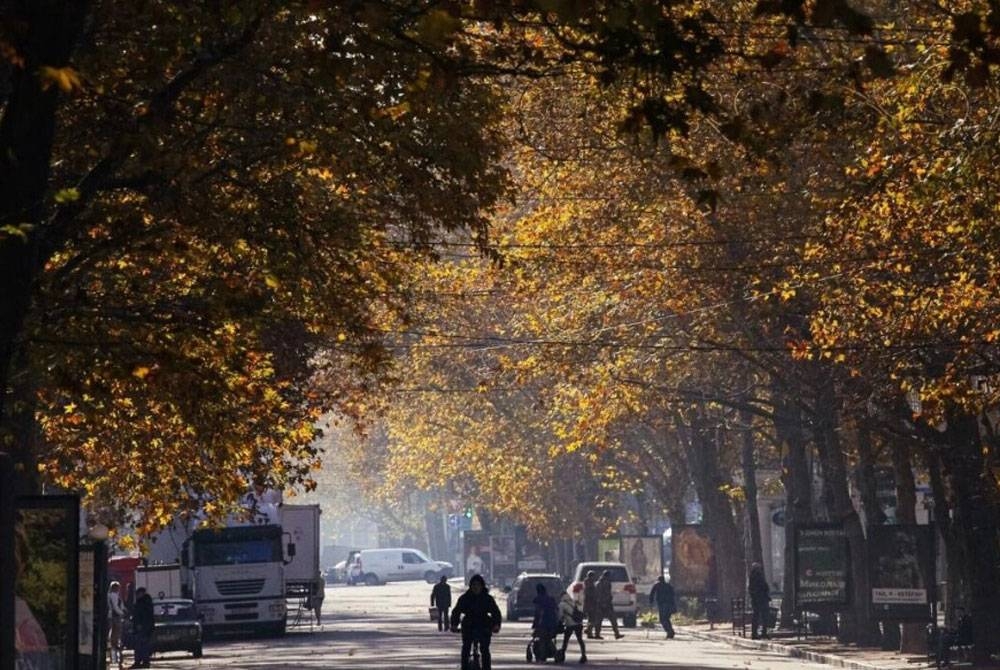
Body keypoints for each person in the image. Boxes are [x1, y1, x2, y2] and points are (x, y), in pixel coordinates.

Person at [450, 574, 502, 670]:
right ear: (470, 586)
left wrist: (496, 625)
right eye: (474, 585)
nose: (476, 587)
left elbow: (496, 612)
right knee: (466, 648)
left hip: (484, 625)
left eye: (478, 585)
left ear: (482, 586)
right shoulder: (465, 598)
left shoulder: (487, 598)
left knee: (485, 650)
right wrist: (454, 624)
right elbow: (456, 612)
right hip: (469, 625)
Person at [558, 589, 587, 663]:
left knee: (566, 640)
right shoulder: (573, 602)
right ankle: (583, 655)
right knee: (580, 640)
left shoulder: (562, 604)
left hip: (570, 624)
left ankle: (562, 654)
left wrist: (560, 622)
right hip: (578, 623)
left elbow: (560, 616)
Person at [593, 570, 623, 640]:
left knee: (599, 620)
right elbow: (605, 594)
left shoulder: (598, 583)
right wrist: (606, 601)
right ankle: (616, 634)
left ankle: (597, 634)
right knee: (613, 620)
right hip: (605, 604)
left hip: (599, 604)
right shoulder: (606, 583)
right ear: (607, 576)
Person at [532, 583, 559, 657]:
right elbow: (556, 610)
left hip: (543, 623)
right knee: (548, 638)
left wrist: (535, 624)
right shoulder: (551, 599)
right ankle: (554, 653)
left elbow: (538, 613)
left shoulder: (538, 599)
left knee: (542, 639)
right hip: (552, 622)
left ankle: (542, 655)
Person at [130, 587, 155, 668]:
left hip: (143, 627)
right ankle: (142, 661)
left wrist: (139, 624)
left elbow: (142, 615)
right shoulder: (144, 602)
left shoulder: (143, 603)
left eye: (138, 594)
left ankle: (142, 661)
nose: (137, 595)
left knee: (141, 645)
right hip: (144, 627)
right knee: (141, 645)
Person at [748, 562, 770, 640]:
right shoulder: (759, 576)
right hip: (762, 599)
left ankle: (754, 633)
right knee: (764, 616)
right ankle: (763, 632)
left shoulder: (751, 577)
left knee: (756, 616)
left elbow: (751, 589)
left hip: (755, 599)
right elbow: (764, 586)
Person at [108, 581, 127, 665]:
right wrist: (123, 613)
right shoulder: (113, 596)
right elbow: (116, 607)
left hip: (113, 617)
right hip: (115, 617)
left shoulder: (112, 596)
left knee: (114, 638)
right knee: (116, 637)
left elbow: (120, 606)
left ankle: (114, 657)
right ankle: (115, 658)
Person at [582, 571, 599, 639]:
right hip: (591, 604)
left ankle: (588, 631)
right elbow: (590, 595)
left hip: (589, 604)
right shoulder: (590, 584)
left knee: (591, 619)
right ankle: (588, 631)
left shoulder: (588, 583)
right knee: (592, 619)